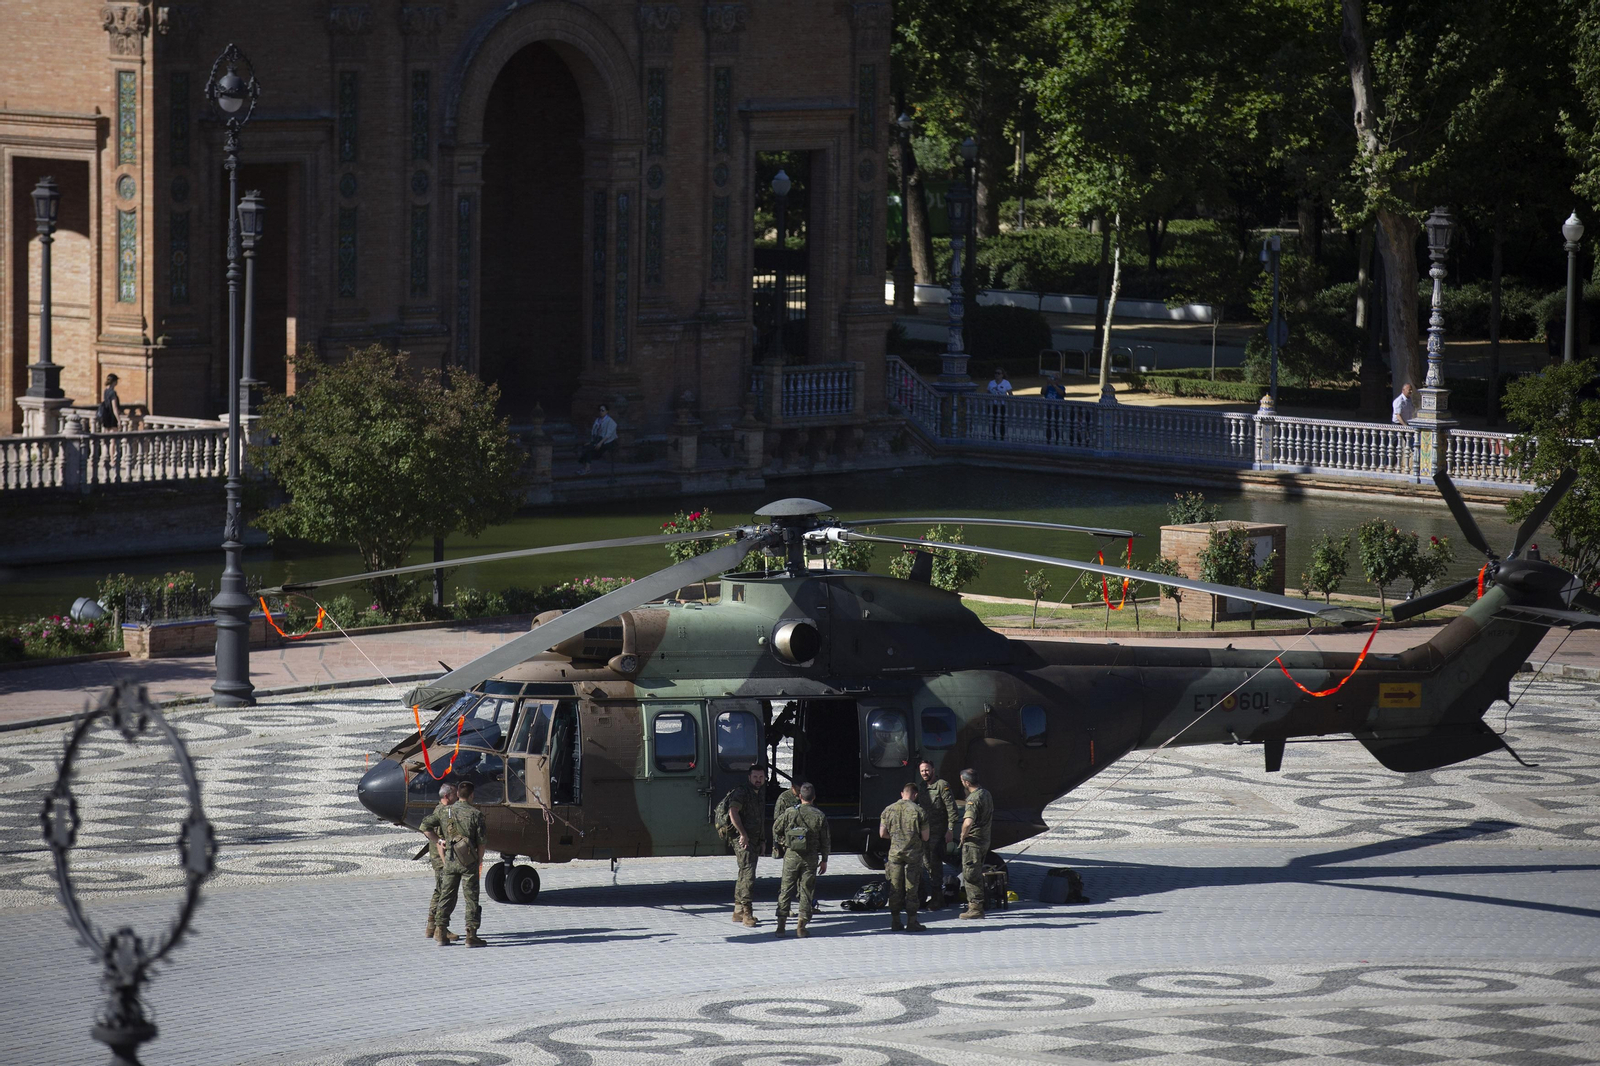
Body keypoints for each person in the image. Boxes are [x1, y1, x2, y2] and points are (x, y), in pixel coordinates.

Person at [422, 779, 488, 947]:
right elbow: (481, 842)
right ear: (472, 795)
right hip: (468, 861)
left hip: (450, 860)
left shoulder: (446, 812)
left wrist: (439, 841)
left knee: (446, 895)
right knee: (471, 898)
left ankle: (441, 932)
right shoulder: (476, 814)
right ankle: (471, 935)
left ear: (458, 794)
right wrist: (479, 860)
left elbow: (425, 826)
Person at [771, 782, 829, 937]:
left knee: (786, 889)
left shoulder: (790, 812)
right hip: (810, 857)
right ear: (814, 797)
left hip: (792, 855)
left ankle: (781, 926)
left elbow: (776, 828)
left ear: (800, 796)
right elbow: (825, 840)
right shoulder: (820, 815)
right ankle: (801, 927)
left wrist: (784, 842)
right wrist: (824, 859)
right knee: (806, 890)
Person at [879, 780, 929, 931]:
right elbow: (925, 837)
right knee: (912, 888)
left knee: (895, 888)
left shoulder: (888, 810)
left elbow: (882, 834)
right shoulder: (919, 811)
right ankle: (912, 922)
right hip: (913, 855)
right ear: (915, 795)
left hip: (895, 854)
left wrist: (894, 838)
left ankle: (895, 921)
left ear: (902, 794)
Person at [723, 764, 768, 928]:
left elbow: (759, 819)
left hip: (754, 839)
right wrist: (743, 834)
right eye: (755, 777)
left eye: (761, 777)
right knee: (748, 876)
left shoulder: (759, 793)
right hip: (744, 840)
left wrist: (762, 840)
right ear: (749, 777)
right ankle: (747, 914)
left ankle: (738, 911)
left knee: (744, 873)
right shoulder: (742, 792)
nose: (758, 780)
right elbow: (733, 812)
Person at [915, 760, 958, 909]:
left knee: (934, 864)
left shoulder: (942, 785)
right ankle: (930, 897)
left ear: (933, 770)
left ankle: (938, 898)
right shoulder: (922, 787)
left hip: (938, 832)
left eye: (927, 770)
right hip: (925, 833)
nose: (924, 773)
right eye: (922, 771)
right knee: (926, 863)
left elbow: (952, 810)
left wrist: (950, 830)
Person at [420, 783, 456, 941]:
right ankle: (441, 929)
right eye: (454, 794)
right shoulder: (444, 811)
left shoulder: (439, 809)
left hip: (438, 857)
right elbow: (429, 831)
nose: (457, 796)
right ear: (447, 797)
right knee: (446, 893)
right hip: (442, 858)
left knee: (439, 891)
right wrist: (440, 843)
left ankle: (431, 926)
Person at [957, 767, 993, 920]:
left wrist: (962, 836)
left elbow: (968, 822)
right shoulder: (986, 793)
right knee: (977, 872)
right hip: (985, 839)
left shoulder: (973, 799)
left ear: (966, 782)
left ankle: (976, 908)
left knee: (971, 875)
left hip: (974, 842)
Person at [578, 403, 618, 473]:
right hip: (598, 440)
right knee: (586, 448)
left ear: (607, 411)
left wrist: (600, 443)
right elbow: (594, 432)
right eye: (600, 410)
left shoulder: (610, 421)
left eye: (603, 410)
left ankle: (586, 467)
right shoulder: (598, 420)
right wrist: (592, 441)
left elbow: (608, 434)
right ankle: (586, 467)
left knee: (589, 449)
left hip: (607, 441)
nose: (601, 412)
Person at [772, 779, 803, 858]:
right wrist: (777, 841)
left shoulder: (804, 797)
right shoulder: (784, 798)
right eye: (798, 790)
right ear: (793, 787)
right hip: (787, 835)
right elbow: (777, 820)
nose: (800, 792)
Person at [986, 368, 1011, 440]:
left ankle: (1002, 436)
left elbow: (1010, 394)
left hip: (1002, 405)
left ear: (1002, 375)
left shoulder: (1006, 383)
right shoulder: (991, 383)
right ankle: (992, 436)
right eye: (995, 373)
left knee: (1002, 421)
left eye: (998, 373)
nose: (996, 375)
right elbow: (987, 393)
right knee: (992, 421)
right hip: (992, 405)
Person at [1039, 373, 1065, 444]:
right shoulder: (1048, 387)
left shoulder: (1061, 387)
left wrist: (1054, 385)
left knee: (1058, 427)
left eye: (1055, 379)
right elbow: (1042, 392)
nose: (1053, 380)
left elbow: (1062, 393)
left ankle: (1059, 441)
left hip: (1058, 410)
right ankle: (1048, 440)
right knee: (1048, 427)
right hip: (1049, 409)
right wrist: (1047, 383)